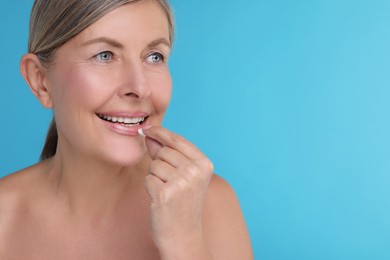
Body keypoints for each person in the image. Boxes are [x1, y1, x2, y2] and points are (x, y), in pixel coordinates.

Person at [0, 0, 253, 259]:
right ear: (40, 81)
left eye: (154, 57)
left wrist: (185, 242)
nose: (140, 87)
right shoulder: (4, 215)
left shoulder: (209, 205)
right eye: (105, 55)